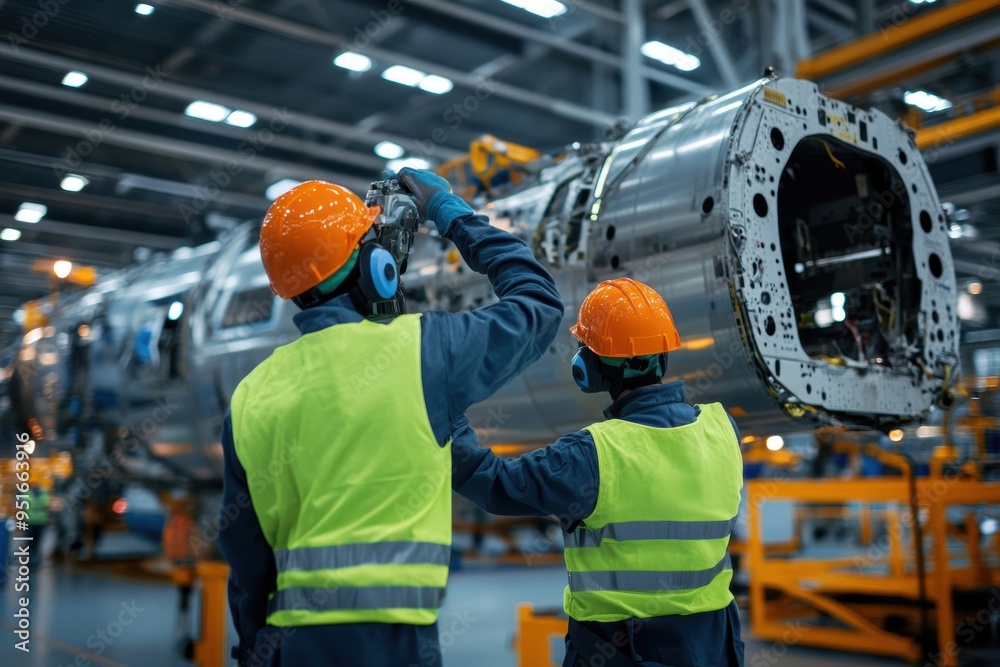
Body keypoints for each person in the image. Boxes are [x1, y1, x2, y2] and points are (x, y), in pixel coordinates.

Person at [217, 168, 563, 667]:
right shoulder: (426, 349)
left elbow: (243, 551)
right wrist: (453, 215)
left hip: (295, 644)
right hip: (397, 642)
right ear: (374, 265)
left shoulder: (252, 394)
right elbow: (538, 303)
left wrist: (256, 647)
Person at [451, 278, 745, 667]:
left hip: (622, 648)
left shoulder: (591, 455)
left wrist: (445, 411)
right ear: (664, 353)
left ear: (589, 367)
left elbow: (491, 483)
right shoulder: (723, 428)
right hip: (712, 644)